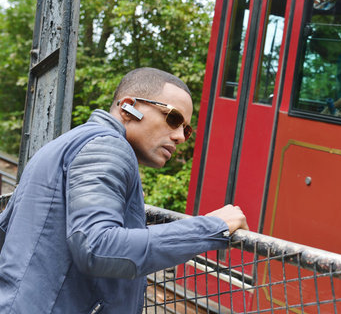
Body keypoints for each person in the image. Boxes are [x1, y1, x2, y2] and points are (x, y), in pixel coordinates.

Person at [0, 67, 249, 313]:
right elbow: (97, 246)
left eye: (186, 129)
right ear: (128, 107)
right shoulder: (109, 147)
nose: (180, 137)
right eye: (173, 118)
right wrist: (210, 226)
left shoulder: (67, 143)